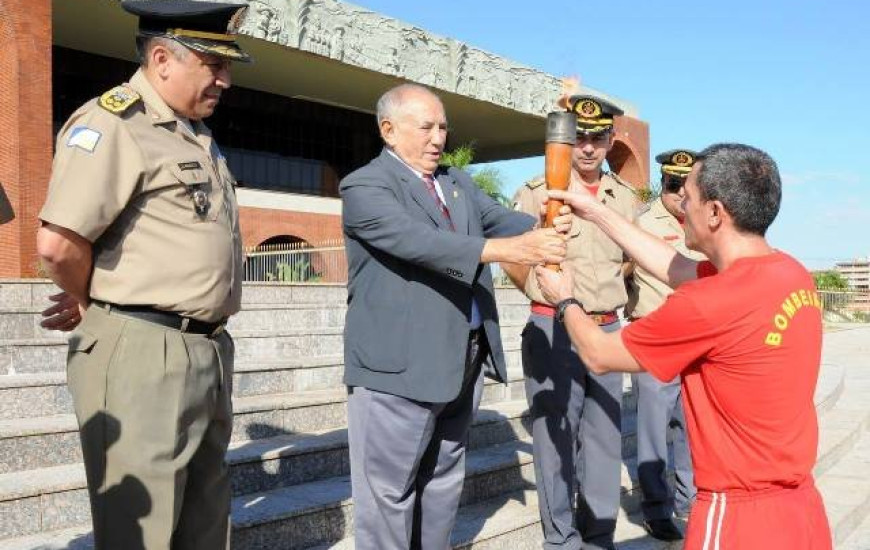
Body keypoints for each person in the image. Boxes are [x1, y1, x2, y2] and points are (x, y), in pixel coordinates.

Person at [534, 143, 832, 550]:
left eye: (687, 196)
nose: (679, 205)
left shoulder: (709, 304)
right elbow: (677, 268)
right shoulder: (791, 274)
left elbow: (599, 355)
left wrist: (565, 299)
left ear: (715, 213)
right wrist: (599, 213)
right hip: (800, 510)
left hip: (738, 517)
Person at [35, 2, 250, 548]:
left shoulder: (195, 133)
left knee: (205, 523)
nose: (225, 78)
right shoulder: (113, 123)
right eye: (213, 63)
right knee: (144, 530)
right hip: (142, 350)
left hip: (205, 350)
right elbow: (59, 244)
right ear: (161, 58)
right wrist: (93, 299)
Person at [340, 83, 568, 550]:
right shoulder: (365, 185)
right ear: (388, 130)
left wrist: (549, 222)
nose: (438, 137)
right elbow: (418, 242)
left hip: (460, 360)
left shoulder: (456, 182)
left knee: (443, 482)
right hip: (396, 370)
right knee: (388, 496)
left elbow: (506, 220)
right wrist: (511, 249)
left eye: (443, 126)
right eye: (425, 126)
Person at [505, 94, 638, 550]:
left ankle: (598, 537)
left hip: (605, 328)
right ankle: (561, 540)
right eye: (579, 138)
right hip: (552, 328)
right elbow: (513, 256)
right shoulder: (539, 191)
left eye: (597, 138)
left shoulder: (626, 197)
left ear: (610, 140)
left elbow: (629, 262)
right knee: (555, 439)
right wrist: (539, 291)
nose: (587, 148)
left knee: (604, 439)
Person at [625, 149, 702, 541]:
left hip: (696, 345)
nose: (678, 194)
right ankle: (656, 509)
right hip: (655, 341)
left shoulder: (705, 223)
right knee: (654, 433)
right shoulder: (642, 222)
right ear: (663, 184)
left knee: (691, 431)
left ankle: (690, 502)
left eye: (685, 186)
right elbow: (621, 271)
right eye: (672, 185)